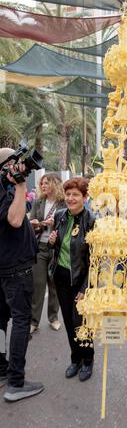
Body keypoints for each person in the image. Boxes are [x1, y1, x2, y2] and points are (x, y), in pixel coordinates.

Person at [0, 147, 44, 402]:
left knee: (1, 320)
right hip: (16, 268)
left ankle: (2, 366)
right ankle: (16, 382)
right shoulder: (8, 188)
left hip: (6, 265)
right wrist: (18, 186)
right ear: (6, 166)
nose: (21, 168)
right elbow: (16, 220)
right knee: (20, 321)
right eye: (16, 164)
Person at [48, 177, 95, 381]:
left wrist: (86, 288)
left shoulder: (91, 220)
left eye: (75, 194)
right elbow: (57, 246)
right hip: (61, 276)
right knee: (68, 320)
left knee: (81, 322)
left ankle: (87, 359)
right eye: (68, 194)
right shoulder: (60, 215)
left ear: (85, 197)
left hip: (81, 279)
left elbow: (95, 260)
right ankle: (75, 359)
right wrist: (51, 243)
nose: (70, 198)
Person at [30, 173, 65, 334]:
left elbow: (68, 225)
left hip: (56, 249)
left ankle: (53, 317)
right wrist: (37, 223)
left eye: (46, 183)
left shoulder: (63, 203)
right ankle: (34, 321)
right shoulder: (38, 202)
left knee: (54, 284)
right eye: (41, 183)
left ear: (55, 184)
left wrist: (55, 222)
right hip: (40, 248)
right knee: (38, 285)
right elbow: (32, 224)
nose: (43, 186)